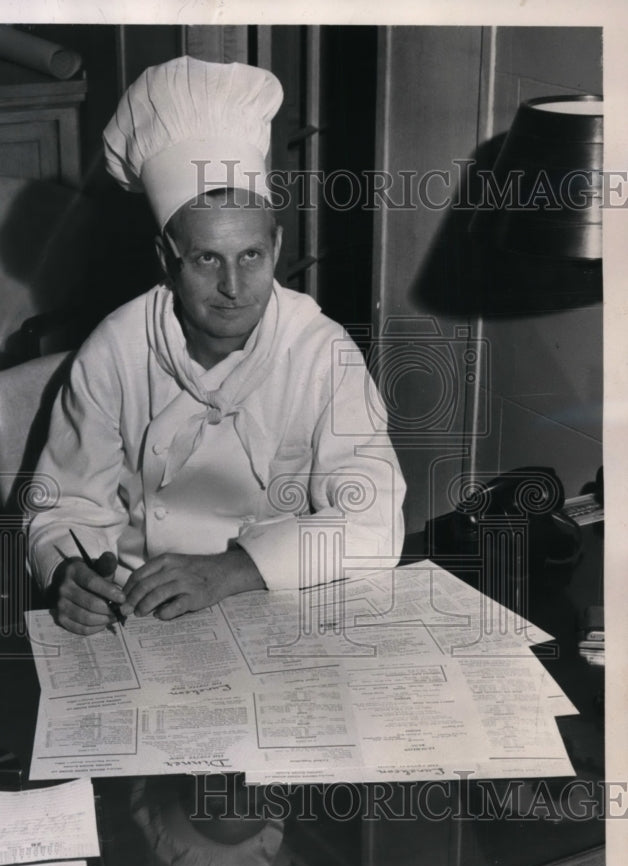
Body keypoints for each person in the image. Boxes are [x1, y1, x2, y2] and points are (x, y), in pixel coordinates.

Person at [28, 56, 406, 635]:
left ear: (276, 247)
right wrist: (69, 572)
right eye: (207, 259)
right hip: (135, 614)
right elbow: (65, 507)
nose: (234, 288)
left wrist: (232, 570)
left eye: (250, 256)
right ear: (166, 260)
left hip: (280, 601)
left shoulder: (320, 353)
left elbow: (376, 524)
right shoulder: (115, 349)